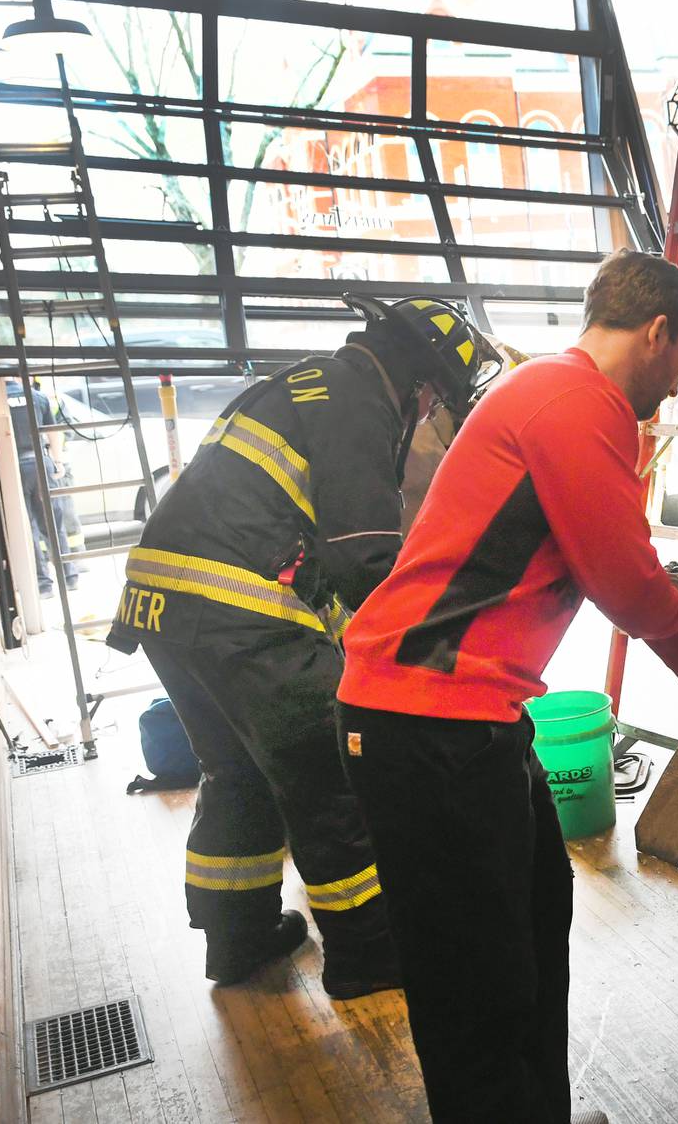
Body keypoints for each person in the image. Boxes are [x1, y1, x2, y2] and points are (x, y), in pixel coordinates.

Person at [336, 250, 678, 1124]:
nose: (677, 385)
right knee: (476, 981)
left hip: (475, 720)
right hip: (423, 723)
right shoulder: (575, 404)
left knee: (531, 929)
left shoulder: (557, 397)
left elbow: (613, 570)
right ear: (656, 332)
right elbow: (631, 587)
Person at [107, 292, 500, 997]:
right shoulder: (359, 404)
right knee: (328, 772)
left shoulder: (303, 382)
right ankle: (367, 953)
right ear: (420, 384)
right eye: (438, 400)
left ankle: (238, 939)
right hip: (239, 612)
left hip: (164, 603)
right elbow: (365, 558)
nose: (432, 416)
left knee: (238, 772)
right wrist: (436, 654)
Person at [6, 377, 79, 598]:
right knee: (53, 524)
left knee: (30, 529)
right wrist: (57, 462)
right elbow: (53, 431)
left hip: (14, 466)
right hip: (41, 464)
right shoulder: (37, 397)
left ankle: (44, 584)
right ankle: (69, 576)